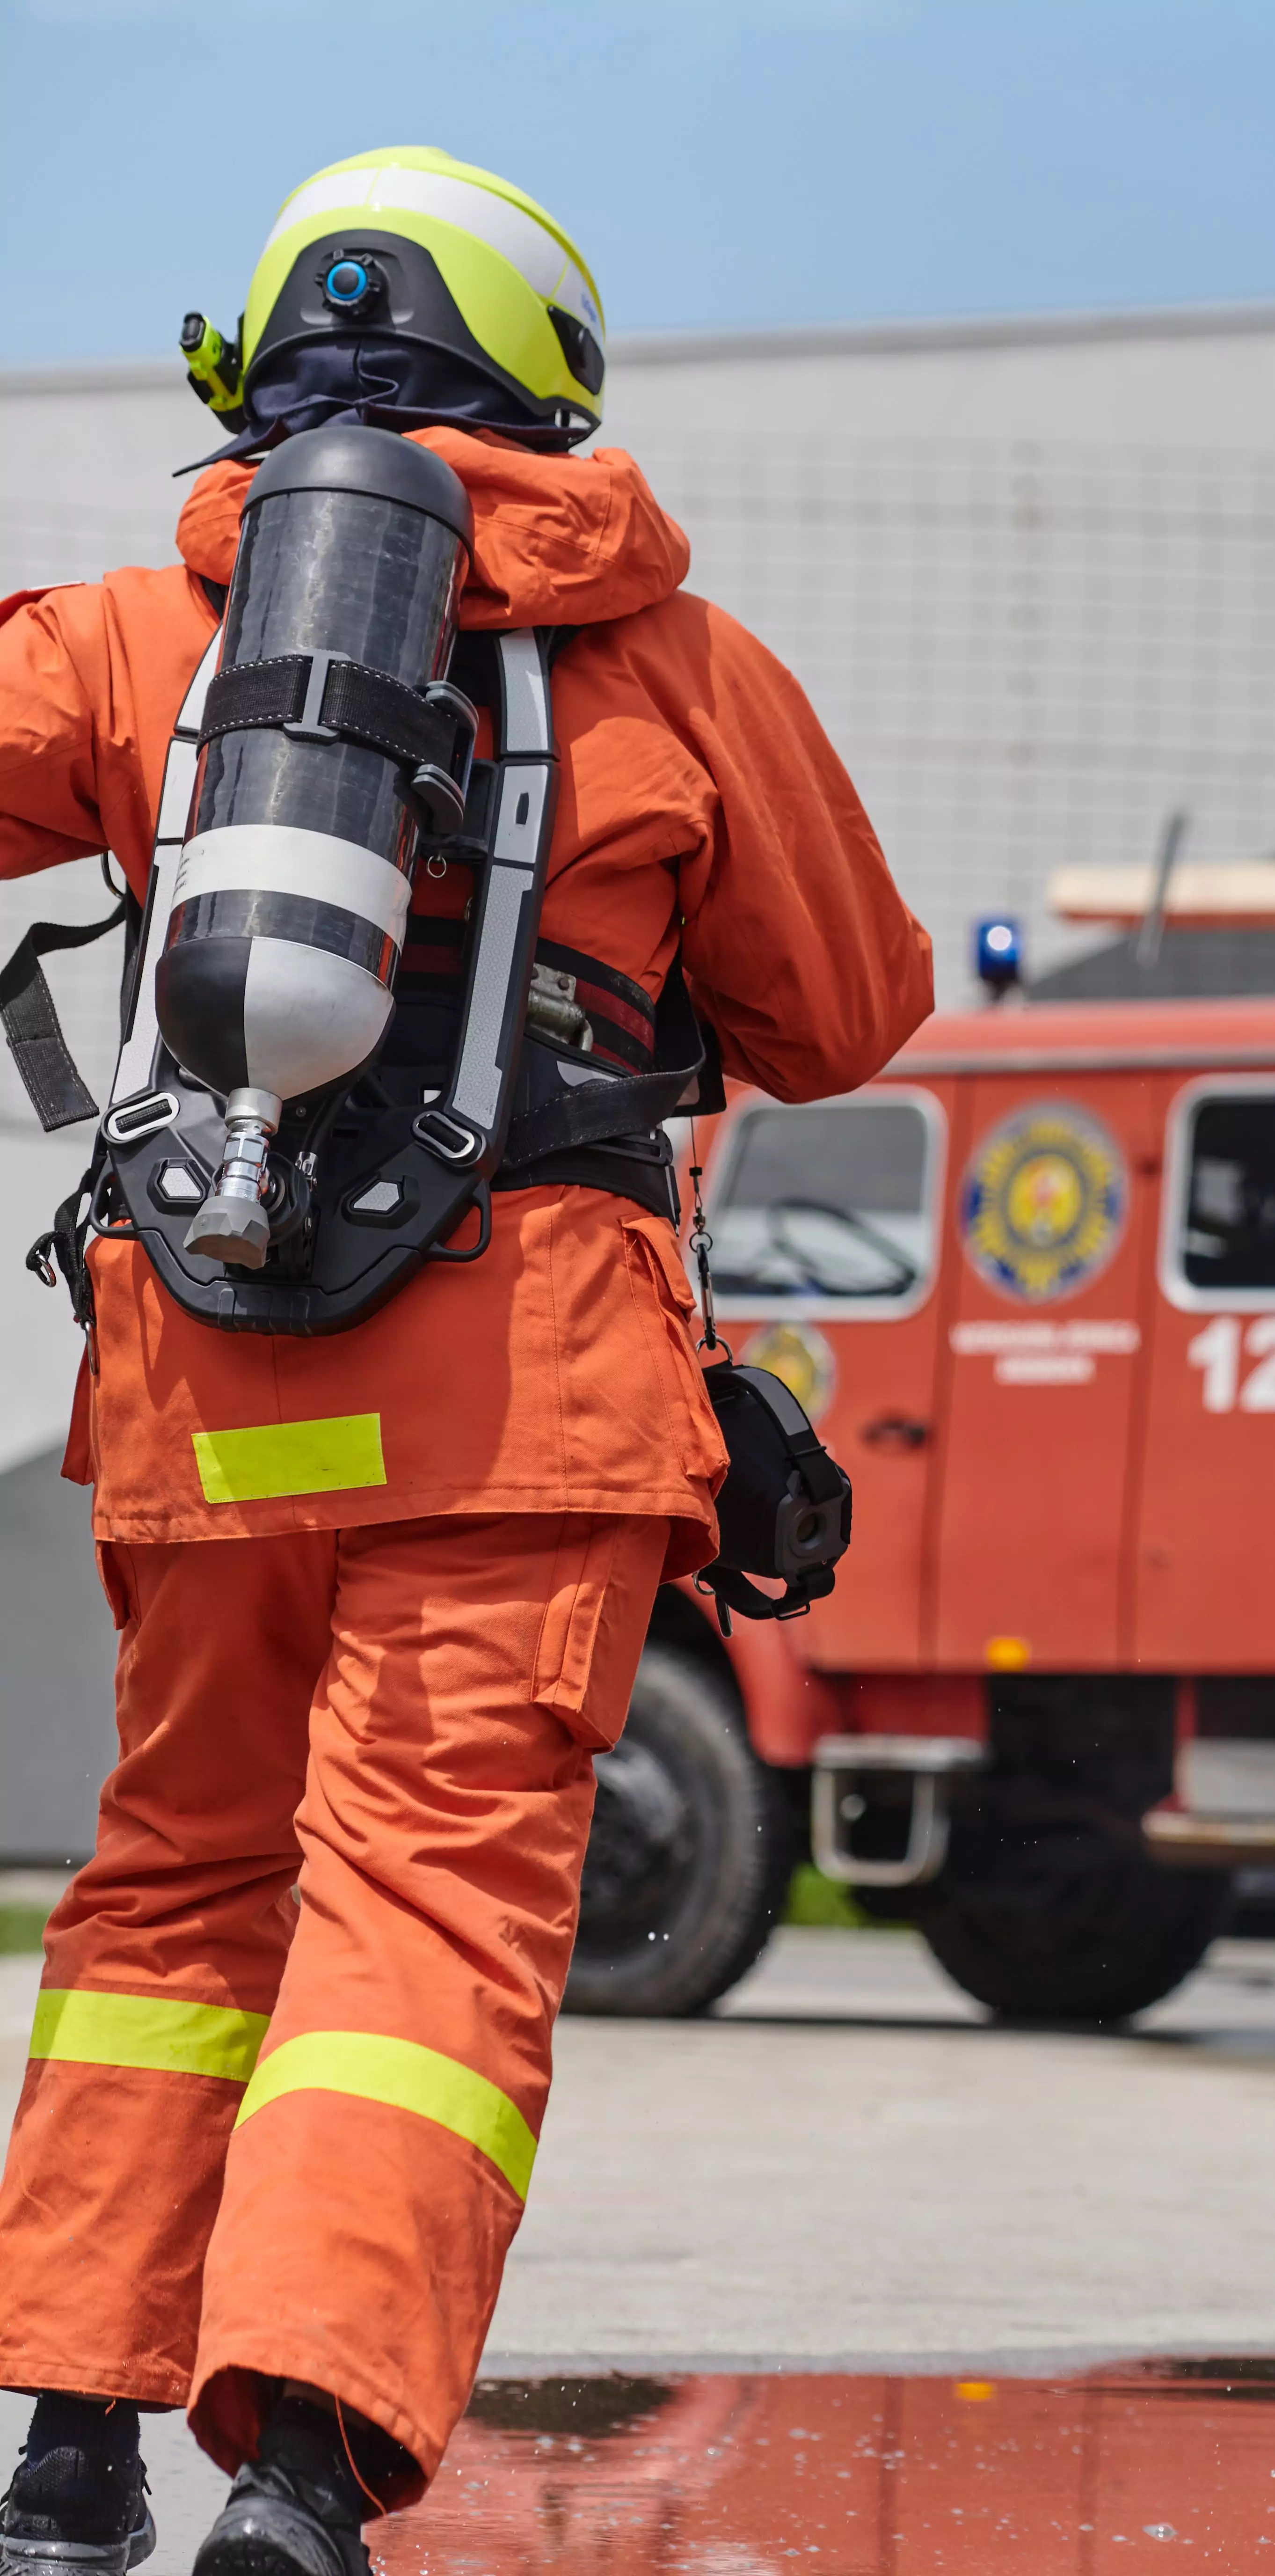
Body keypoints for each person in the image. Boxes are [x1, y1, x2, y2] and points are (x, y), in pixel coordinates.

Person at [0, 147, 930, 2576]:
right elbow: (853, 1014)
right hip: (525, 1402)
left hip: (207, 1380)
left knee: (173, 1896)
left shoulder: (142, 645)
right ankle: (298, 2467)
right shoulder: (681, 674)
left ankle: (66, 2448)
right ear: (544, 378)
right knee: (418, 1921)